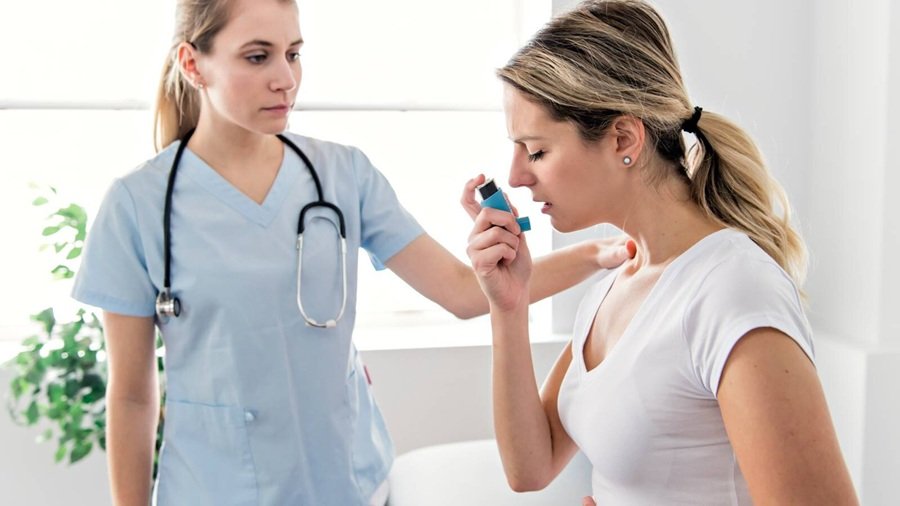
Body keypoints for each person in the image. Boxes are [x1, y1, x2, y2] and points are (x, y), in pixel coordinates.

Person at [70, 0, 634, 504]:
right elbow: (133, 397)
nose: (285, 79)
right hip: (212, 490)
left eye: (293, 54)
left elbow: (465, 293)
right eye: (258, 57)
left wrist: (598, 254)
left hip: (349, 485)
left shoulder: (343, 175)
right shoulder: (136, 205)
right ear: (193, 65)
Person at [464, 1, 859, 504]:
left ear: (623, 139)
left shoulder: (733, 291)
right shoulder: (618, 285)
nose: (517, 176)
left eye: (537, 150)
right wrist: (509, 305)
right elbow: (530, 466)